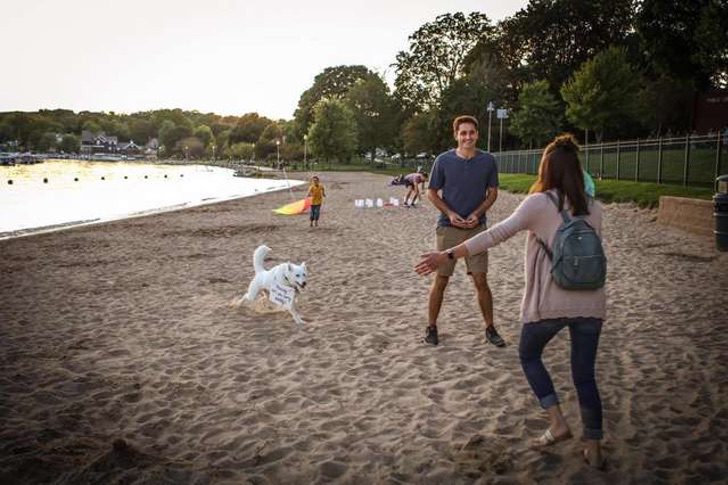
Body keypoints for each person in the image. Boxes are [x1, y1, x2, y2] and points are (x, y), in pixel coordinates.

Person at [415, 133, 607, 469]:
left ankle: (558, 422)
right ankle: (594, 446)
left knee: (529, 354)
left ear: (546, 168)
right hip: (592, 304)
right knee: (585, 376)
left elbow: (493, 235)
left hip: (549, 304)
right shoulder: (595, 207)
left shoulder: (539, 203)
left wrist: (445, 254)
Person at [423, 115, 506, 348]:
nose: (467, 137)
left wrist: (477, 214)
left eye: (471, 132)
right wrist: (449, 213)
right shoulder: (443, 161)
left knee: (481, 279)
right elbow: (431, 192)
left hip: (476, 228)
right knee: (441, 279)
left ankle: (490, 328)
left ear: (477, 134)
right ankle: (431, 326)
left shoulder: (488, 161)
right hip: (449, 227)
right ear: (456, 135)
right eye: (463, 133)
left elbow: (492, 193)